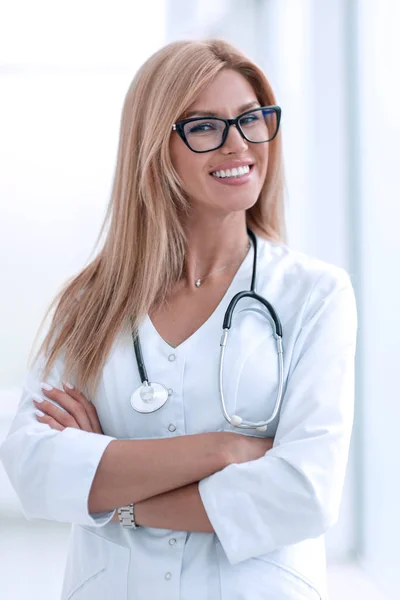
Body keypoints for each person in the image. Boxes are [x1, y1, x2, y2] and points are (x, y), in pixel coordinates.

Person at [0, 38, 357, 600]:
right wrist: (223, 451)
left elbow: (303, 492)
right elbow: (35, 469)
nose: (238, 144)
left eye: (250, 120)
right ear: (155, 146)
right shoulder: (90, 302)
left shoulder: (313, 295)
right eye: (205, 127)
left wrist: (114, 495)